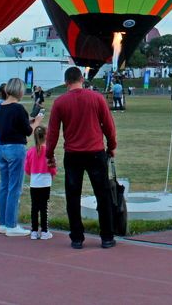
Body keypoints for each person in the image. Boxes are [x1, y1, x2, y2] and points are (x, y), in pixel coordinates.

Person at [45, 66, 118, 249]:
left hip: (73, 154)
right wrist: (112, 146)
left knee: (73, 196)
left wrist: (50, 154)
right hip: (95, 152)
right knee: (103, 195)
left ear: (66, 82)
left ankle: (77, 237)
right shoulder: (97, 98)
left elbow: (53, 132)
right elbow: (108, 125)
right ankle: (107, 236)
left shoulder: (60, 102)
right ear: (82, 80)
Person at [0, 77, 40, 236]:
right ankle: (12, 225)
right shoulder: (19, 108)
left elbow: (4, 125)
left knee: (5, 187)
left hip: (2, 147)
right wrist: (37, 122)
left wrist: (28, 122)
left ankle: (3, 223)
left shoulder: (0, 107)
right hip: (16, 148)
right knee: (15, 187)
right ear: (20, 90)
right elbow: (28, 131)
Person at [25, 125, 56, 240]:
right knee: (44, 207)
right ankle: (44, 231)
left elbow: (27, 169)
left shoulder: (30, 151)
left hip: (34, 183)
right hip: (45, 183)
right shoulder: (49, 151)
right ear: (46, 136)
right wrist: (52, 173)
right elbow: (52, 167)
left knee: (34, 207)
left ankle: (33, 231)